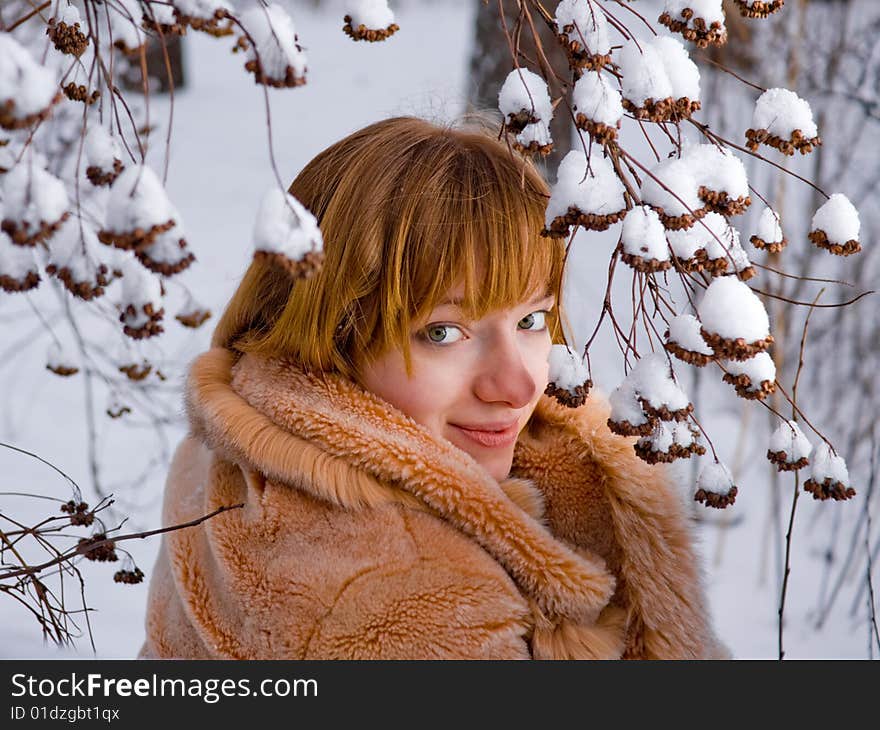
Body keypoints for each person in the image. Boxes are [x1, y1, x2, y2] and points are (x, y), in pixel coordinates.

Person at [139, 116, 729, 660]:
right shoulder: (402, 599)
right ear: (330, 334)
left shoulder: (242, 447)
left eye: (531, 320)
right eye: (444, 332)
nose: (518, 385)